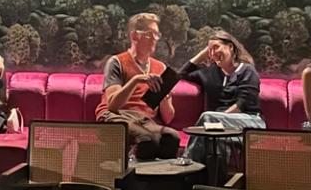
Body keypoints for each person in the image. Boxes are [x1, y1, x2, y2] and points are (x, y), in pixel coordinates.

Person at [96, 11, 181, 160]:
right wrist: (136, 80)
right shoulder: (116, 62)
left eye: (157, 35)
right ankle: (133, 179)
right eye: (150, 34)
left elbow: (167, 119)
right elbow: (113, 106)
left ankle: (163, 181)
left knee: (172, 137)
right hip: (116, 116)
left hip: (144, 120)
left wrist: (164, 96)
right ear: (135, 36)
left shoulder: (160, 68)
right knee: (148, 139)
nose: (155, 39)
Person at [178, 30, 263, 163]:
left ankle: (187, 161)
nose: (213, 53)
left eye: (216, 47)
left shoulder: (247, 70)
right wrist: (204, 52)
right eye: (209, 50)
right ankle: (208, 182)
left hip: (249, 122)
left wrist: (217, 122)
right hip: (220, 125)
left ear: (230, 46)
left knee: (208, 117)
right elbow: (182, 73)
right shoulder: (210, 73)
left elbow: (242, 104)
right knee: (217, 144)